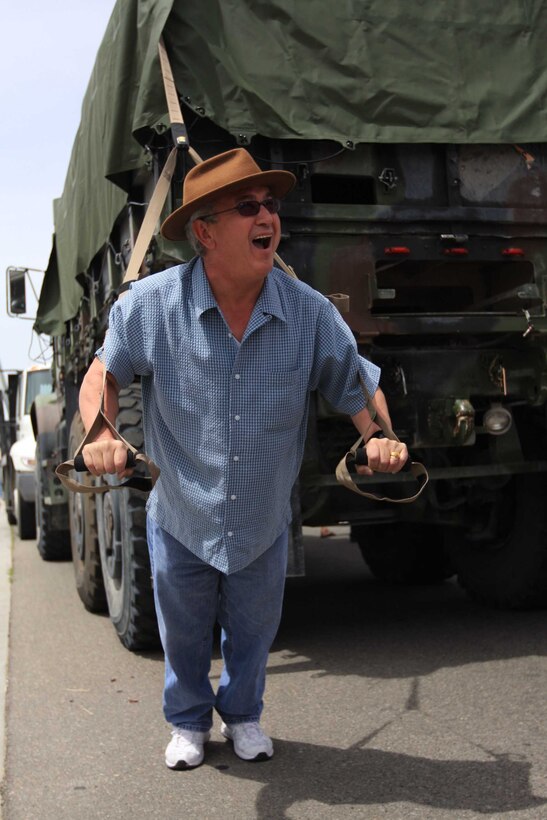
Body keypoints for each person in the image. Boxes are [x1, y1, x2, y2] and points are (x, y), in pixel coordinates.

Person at [78, 148, 408, 770]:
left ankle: (246, 715)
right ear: (204, 232)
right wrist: (99, 431)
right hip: (181, 512)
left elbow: (356, 386)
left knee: (254, 632)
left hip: (261, 517)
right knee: (182, 633)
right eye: (248, 208)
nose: (268, 218)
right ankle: (186, 722)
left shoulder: (309, 312)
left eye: (271, 206)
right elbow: (103, 373)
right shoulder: (151, 307)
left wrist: (379, 437)